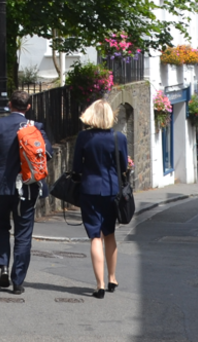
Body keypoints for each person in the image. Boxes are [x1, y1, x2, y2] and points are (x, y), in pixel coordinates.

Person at [0, 91, 48, 295]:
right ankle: (18, 280)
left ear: (9, 105)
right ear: (28, 107)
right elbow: (46, 154)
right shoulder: (36, 127)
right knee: (23, 233)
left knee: (0, 226)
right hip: (26, 187)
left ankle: (3, 266)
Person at [71, 100, 129, 298]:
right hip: (112, 190)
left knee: (95, 236)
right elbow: (123, 167)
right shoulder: (119, 138)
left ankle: (100, 284)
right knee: (110, 234)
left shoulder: (84, 137)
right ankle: (112, 277)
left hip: (90, 190)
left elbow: (76, 167)